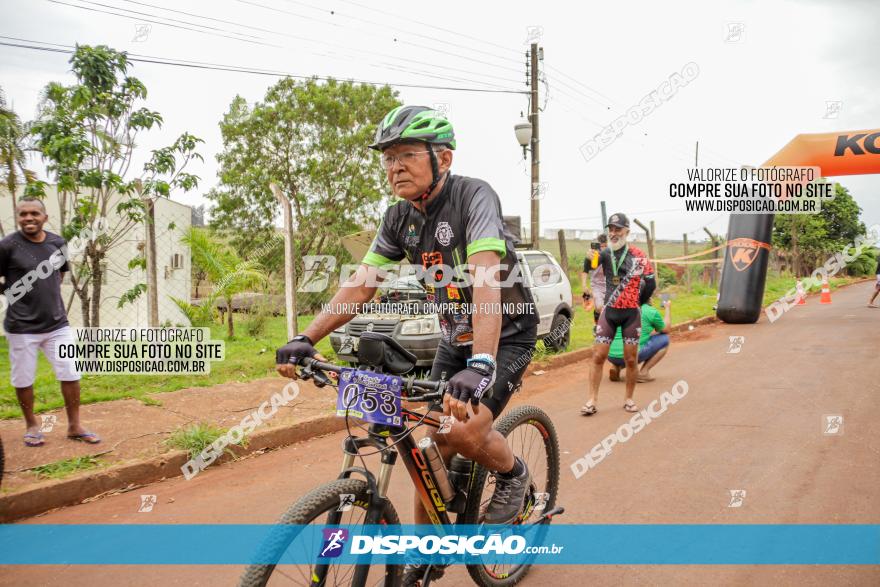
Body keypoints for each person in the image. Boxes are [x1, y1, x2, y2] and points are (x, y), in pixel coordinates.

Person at [275, 106, 539, 585]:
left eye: (406, 155)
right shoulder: (398, 218)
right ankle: (429, 552)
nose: (394, 166)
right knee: (422, 441)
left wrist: (480, 362)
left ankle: (513, 472)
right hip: (454, 336)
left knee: (458, 433)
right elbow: (362, 282)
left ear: (444, 158)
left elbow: (485, 280)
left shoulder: (474, 196)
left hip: (505, 333)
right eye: (388, 158)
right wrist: (306, 337)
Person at [0, 198, 100, 447]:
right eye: (23, 214)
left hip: (57, 324)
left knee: (71, 372)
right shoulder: (7, 246)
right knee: (23, 379)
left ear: (45, 217)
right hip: (21, 327)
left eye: (34, 213)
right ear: (18, 217)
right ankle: (32, 425)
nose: (28, 218)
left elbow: (59, 273)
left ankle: (74, 426)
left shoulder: (57, 243)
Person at [581, 213, 655, 416]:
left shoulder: (638, 255)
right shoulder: (605, 254)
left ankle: (629, 399)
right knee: (598, 356)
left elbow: (651, 282)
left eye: (618, 229)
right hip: (609, 312)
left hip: (631, 314)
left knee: (631, 359)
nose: (613, 233)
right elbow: (590, 267)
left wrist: (639, 301)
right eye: (611, 229)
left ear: (627, 232)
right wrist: (588, 261)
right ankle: (591, 400)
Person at [608, 292, 671, 383]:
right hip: (630, 355)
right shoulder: (650, 311)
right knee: (664, 339)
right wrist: (667, 309)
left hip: (611, 354)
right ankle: (643, 373)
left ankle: (616, 366)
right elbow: (666, 329)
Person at [580, 234, 607, 327]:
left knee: (609, 308)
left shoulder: (611, 254)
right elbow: (585, 271)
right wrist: (584, 285)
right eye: (601, 246)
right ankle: (597, 324)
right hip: (596, 285)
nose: (603, 248)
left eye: (605, 246)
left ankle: (605, 328)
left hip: (609, 284)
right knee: (599, 307)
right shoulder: (591, 256)